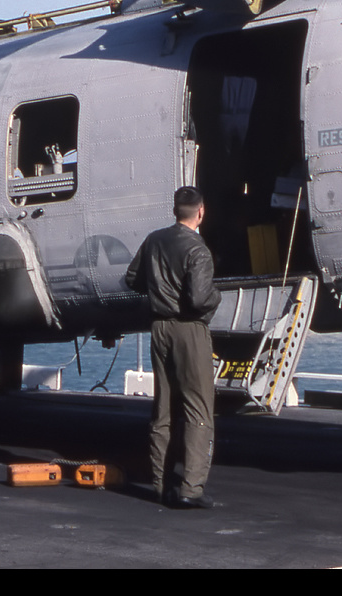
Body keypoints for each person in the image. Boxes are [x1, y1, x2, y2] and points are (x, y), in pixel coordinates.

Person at [125, 186, 221, 509]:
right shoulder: (199, 251)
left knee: (162, 408)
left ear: (175, 211)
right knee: (198, 409)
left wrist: (157, 288)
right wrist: (216, 296)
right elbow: (198, 298)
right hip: (188, 329)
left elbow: (132, 278)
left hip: (159, 328)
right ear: (201, 212)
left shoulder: (154, 240)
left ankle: (159, 483)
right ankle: (191, 488)